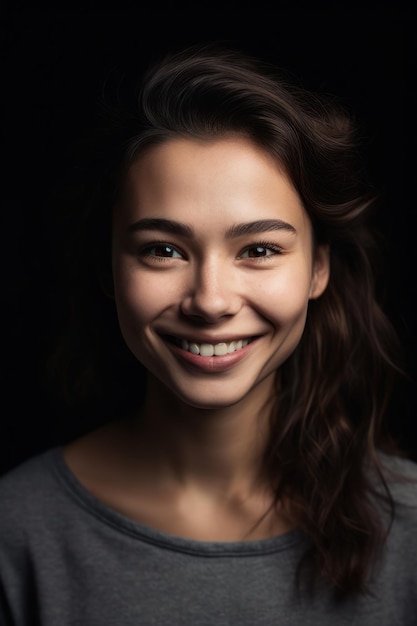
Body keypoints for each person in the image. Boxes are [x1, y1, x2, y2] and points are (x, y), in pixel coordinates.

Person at [0, 42, 416, 625]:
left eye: (260, 250)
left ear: (319, 267)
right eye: (163, 250)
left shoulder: (411, 526)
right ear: (109, 269)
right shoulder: (17, 531)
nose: (211, 301)